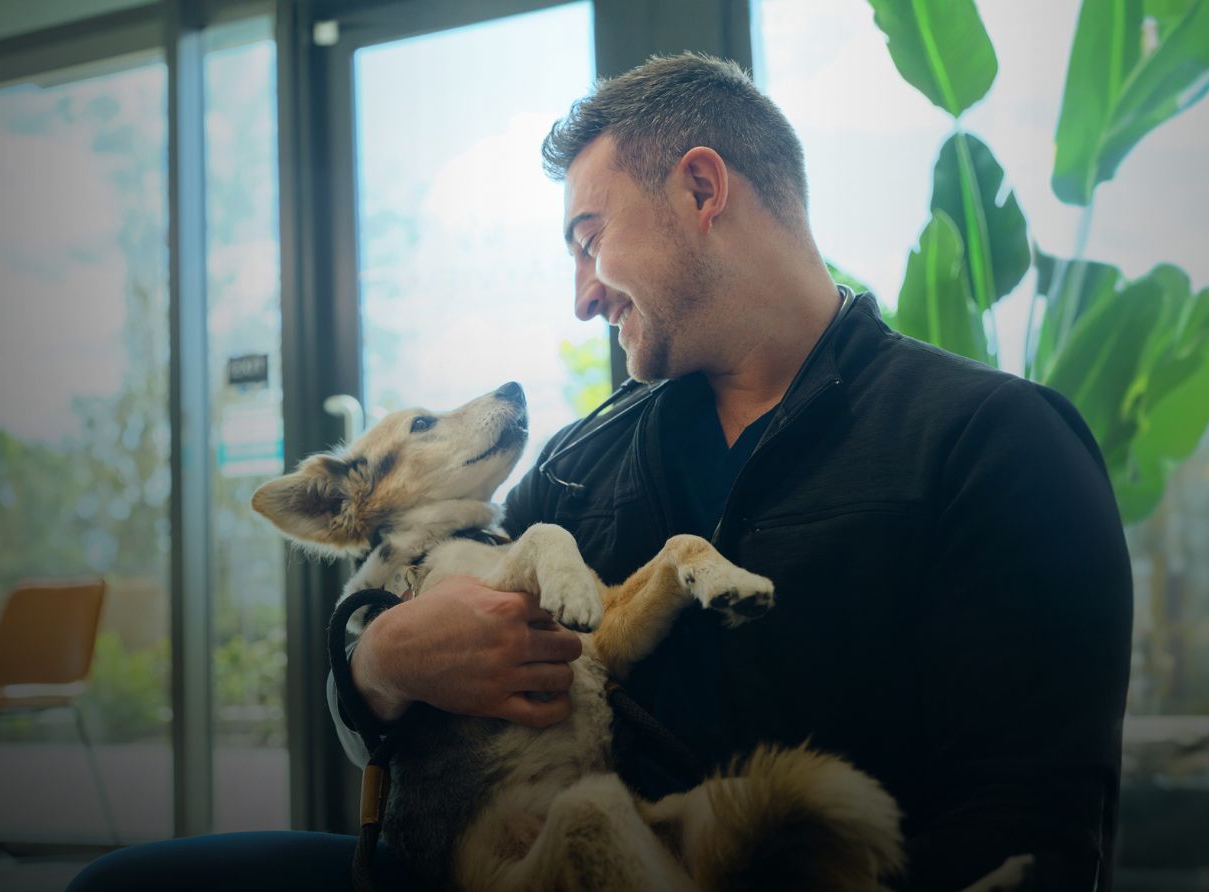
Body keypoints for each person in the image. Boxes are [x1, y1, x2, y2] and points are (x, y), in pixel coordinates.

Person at [71, 52, 1131, 892]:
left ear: (702, 188)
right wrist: (378, 656)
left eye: (589, 239)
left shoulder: (994, 441)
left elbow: (1031, 830)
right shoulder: (580, 466)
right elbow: (396, 677)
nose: (582, 296)